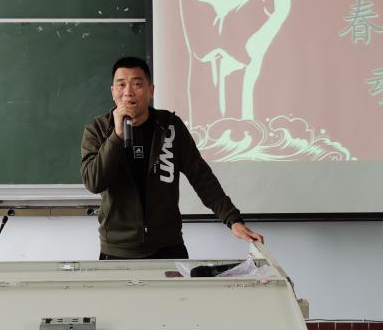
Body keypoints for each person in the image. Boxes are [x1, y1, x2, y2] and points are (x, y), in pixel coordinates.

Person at [80, 56, 264, 259]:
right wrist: (116, 137)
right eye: (121, 85)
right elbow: (93, 182)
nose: (128, 92)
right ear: (113, 91)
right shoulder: (97, 130)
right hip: (117, 249)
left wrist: (233, 220)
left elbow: (201, 177)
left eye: (137, 84)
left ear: (151, 90)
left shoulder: (170, 126)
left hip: (168, 246)